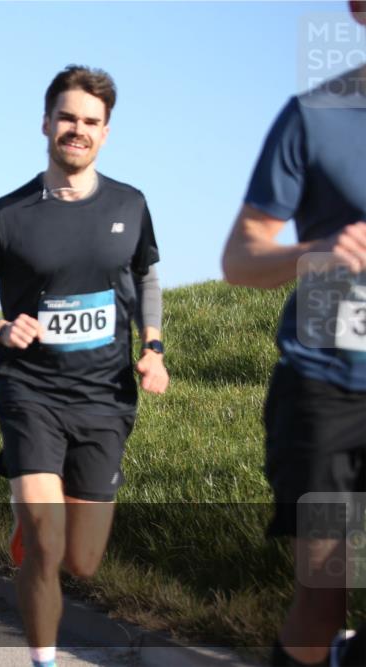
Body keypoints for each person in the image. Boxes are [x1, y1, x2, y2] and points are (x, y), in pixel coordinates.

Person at [0, 66, 167, 667]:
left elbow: (146, 276)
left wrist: (154, 347)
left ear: (105, 132)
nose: (77, 129)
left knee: (82, 561)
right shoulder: (8, 214)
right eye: (67, 117)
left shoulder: (130, 204)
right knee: (45, 543)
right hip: (29, 390)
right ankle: (43, 658)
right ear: (46, 123)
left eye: (91, 121)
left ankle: (34, 523)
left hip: (105, 397)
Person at [221, 4, 366, 665]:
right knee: (325, 592)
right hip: (324, 391)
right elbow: (240, 258)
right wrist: (319, 251)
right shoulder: (314, 116)